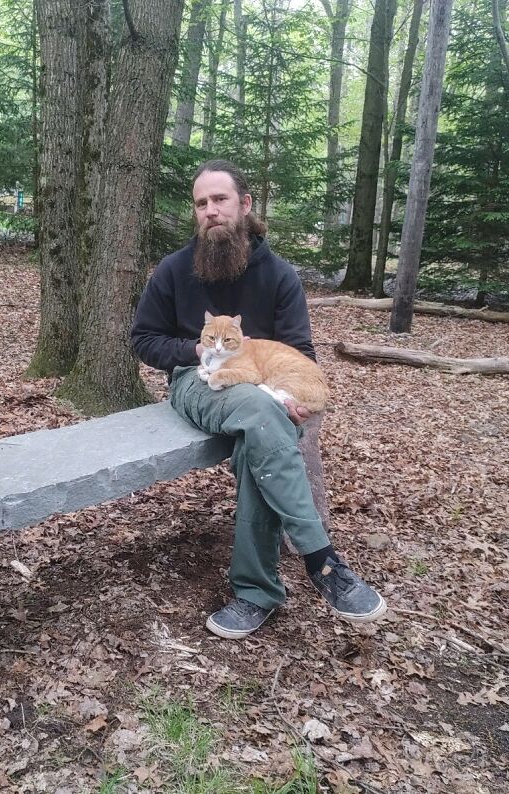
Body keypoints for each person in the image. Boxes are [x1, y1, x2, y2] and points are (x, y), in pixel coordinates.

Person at [130, 159, 387, 639]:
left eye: (220, 199)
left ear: (245, 206)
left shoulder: (280, 275)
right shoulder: (172, 271)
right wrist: (196, 349)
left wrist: (290, 395)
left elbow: (301, 353)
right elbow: (144, 340)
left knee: (259, 435)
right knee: (260, 411)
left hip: (269, 386)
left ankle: (255, 593)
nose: (210, 211)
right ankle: (321, 559)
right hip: (199, 381)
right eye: (201, 203)